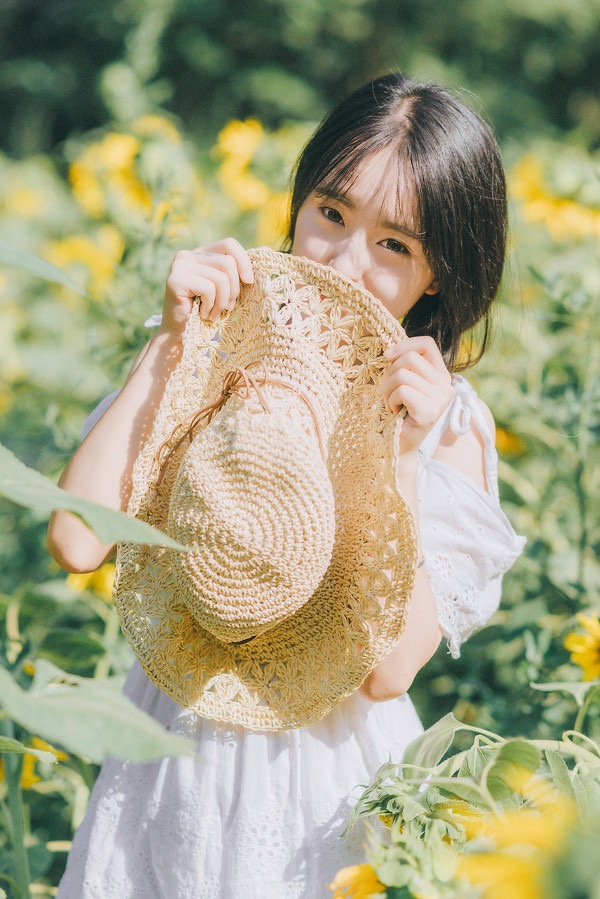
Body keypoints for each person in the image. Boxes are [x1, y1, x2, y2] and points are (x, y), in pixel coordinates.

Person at [47, 72, 525, 898]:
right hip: (170, 756)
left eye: (394, 245)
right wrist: (169, 346)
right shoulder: (213, 341)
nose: (345, 258)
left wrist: (403, 459)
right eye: (331, 214)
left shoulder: (446, 421)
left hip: (322, 790)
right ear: (300, 201)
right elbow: (78, 537)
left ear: (440, 272)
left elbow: (389, 670)